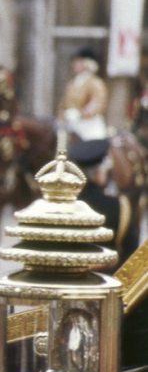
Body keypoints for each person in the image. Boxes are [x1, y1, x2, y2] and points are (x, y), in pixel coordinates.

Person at [68, 138, 139, 270]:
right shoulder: (118, 206)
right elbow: (131, 254)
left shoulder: (62, 206)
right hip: (109, 279)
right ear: (99, 173)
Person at [59, 47, 108, 140]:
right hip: (71, 124)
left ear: (88, 63)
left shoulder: (95, 83)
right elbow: (63, 103)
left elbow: (97, 104)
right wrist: (63, 115)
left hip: (90, 126)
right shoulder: (71, 84)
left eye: (79, 61)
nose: (74, 64)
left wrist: (79, 114)